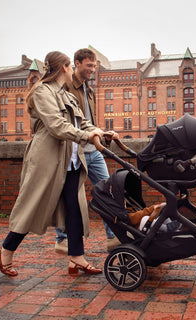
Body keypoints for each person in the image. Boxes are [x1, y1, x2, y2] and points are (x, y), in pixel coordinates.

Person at [0, 51, 104, 276]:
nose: (72, 69)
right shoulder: (43, 91)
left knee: (75, 208)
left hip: (70, 160)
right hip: (47, 159)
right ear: (63, 68)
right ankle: (5, 251)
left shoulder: (66, 94)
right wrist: (86, 136)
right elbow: (56, 125)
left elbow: (82, 122)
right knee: (32, 205)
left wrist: (100, 132)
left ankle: (76, 257)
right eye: (70, 65)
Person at [54, 48, 120, 254]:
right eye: (89, 65)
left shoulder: (88, 89)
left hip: (94, 149)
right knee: (70, 194)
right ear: (77, 63)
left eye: (94, 65)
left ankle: (113, 236)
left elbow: (87, 121)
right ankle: (62, 239)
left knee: (106, 191)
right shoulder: (65, 87)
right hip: (75, 149)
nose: (92, 69)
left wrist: (101, 133)